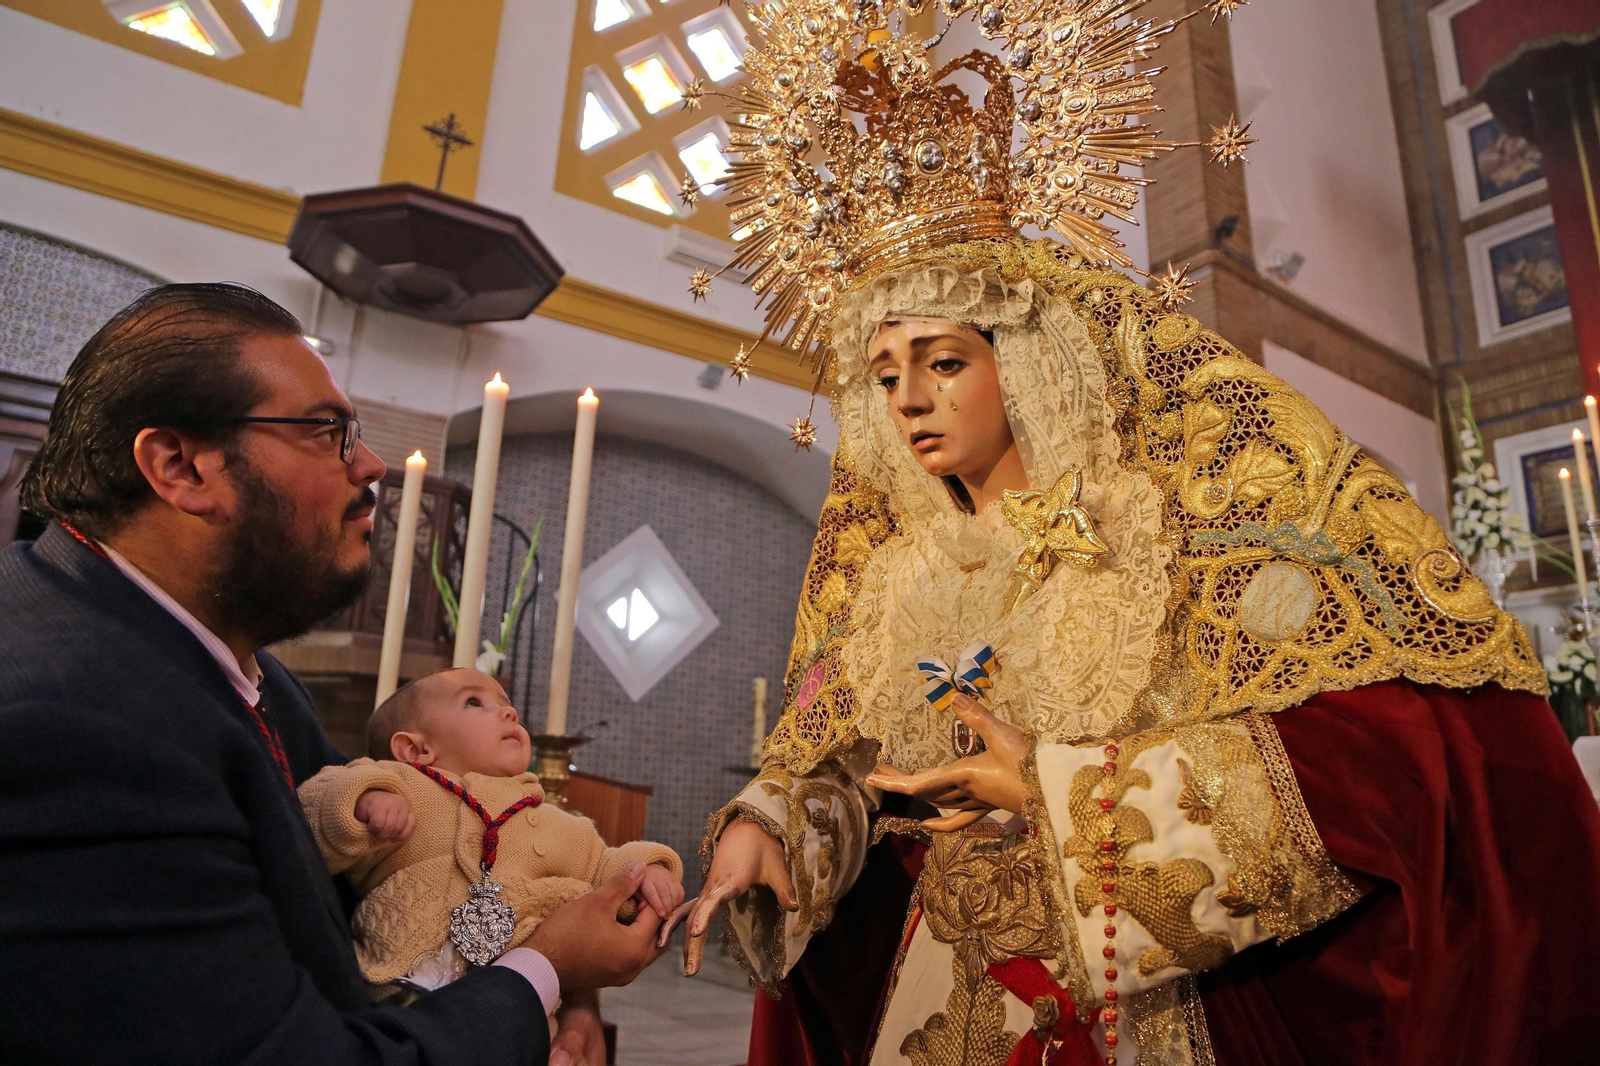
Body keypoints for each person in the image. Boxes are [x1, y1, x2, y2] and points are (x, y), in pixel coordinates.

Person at [680, 3, 1600, 1064]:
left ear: (1018, 360)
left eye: (942, 361)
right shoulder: (892, 579)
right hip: (933, 1002)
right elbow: (840, 770)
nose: (908, 402)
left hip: (1136, 1013)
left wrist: (1061, 791)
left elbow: (1382, 761)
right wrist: (767, 828)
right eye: (884, 375)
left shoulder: (1163, 533)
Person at [0, 283, 668, 1065]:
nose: (373, 464)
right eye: (328, 433)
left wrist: (569, 997)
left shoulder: (248, 674)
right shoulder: (67, 720)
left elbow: (377, 879)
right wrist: (544, 974)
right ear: (179, 466)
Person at [300, 667, 684, 996]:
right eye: (473, 702)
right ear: (416, 750)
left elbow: (603, 864)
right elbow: (307, 810)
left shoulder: (549, 818)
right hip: (399, 988)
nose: (509, 712)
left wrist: (648, 868)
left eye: (506, 703)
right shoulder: (400, 785)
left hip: (514, 1004)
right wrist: (364, 799)